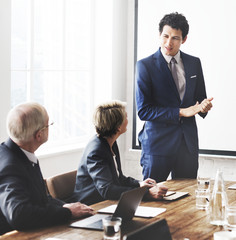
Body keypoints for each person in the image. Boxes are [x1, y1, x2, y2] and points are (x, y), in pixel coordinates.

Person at [135, 12, 213, 183]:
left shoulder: (194, 63)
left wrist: (203, 107)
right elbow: (144, 111)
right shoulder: (145, 66)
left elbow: (200, 99)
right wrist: (181, 112)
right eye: (165, 36)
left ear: (184, 39)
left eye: (175, 38)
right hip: (157, 145)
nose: (168, 43)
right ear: (159, 35)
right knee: (151, 200)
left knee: (187, 200)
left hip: (187, 145)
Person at [0, 102, 93, 235]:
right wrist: (68, 212)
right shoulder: (10, 166)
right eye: (48, 125)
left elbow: (41, 198)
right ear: (39, 135)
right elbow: (18, 214)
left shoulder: (20, 153)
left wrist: (65, 206)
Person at [71, 100, 168, 205]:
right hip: (93, 205)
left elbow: (118, 178)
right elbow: (107, 190)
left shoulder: (110, 142)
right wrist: (146, 193)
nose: (127, 120)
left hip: (109, 202)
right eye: (125, 117)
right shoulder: (96, 151)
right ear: (118, 127)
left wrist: (140, 184)